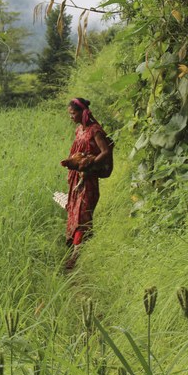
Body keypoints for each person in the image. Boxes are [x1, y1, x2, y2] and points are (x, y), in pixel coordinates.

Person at [60, 97, 112, 271]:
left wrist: (90, 164)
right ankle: (79, 247)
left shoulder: (94, 130)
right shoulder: (79, 130)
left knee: (82, 214)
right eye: (70, 114)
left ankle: (75, 257)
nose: (71, 117)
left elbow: (105, 151)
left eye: (73, 113)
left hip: (89, 179)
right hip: (77, 178)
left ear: (83, 112)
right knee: (74, 211)